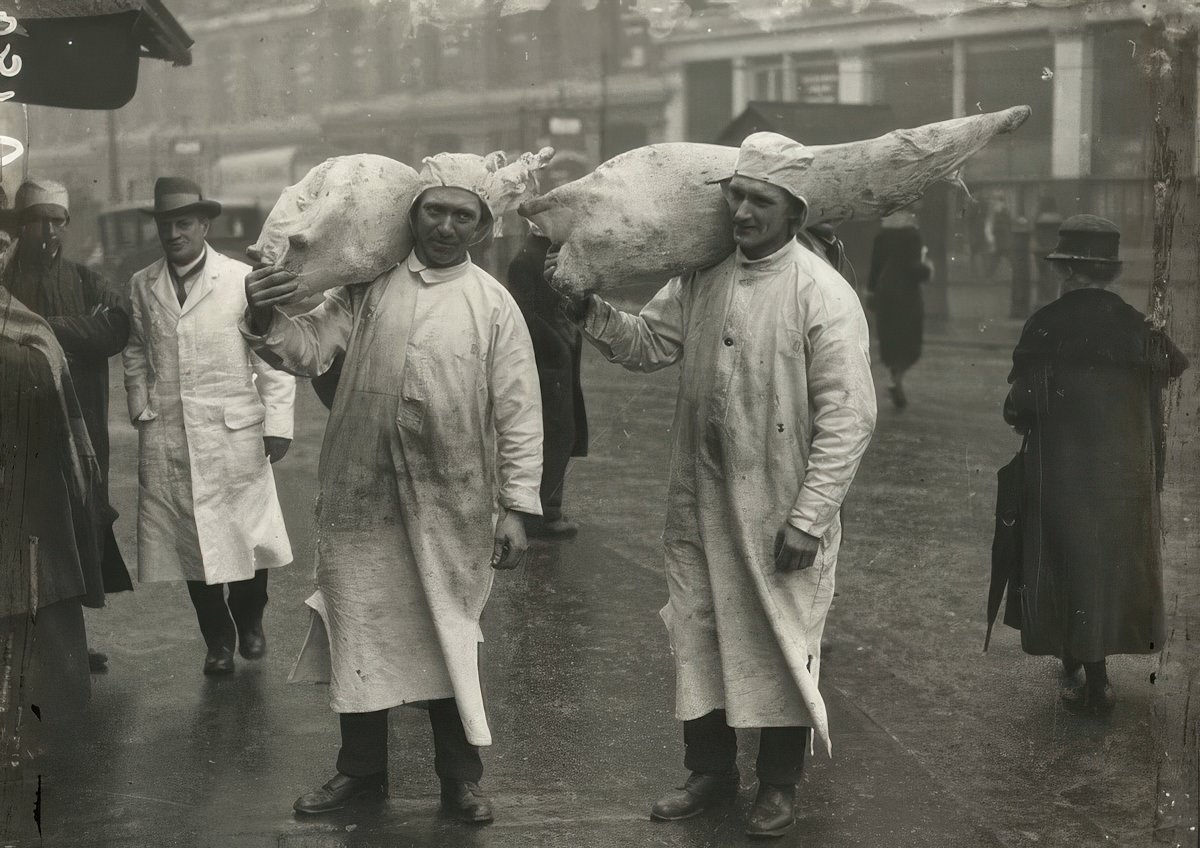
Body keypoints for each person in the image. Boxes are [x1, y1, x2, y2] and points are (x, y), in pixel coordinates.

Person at [547, 132, 877, 838]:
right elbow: (649, 346)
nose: (745, 214)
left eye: (763, 201)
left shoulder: (823, 293)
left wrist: (809, 519)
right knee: (697, 630)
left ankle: (779, 784)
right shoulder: (704, 275)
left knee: (778, 641)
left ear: (795, 211)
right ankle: (710, 771)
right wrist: (591, 313)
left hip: (780, 509)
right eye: (738, 198)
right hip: (699, 498)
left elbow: (850, 419)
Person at [241, 154, 543, 824]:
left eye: (462, 215)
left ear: (482, 226)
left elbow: (519, 411)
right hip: (361, 492)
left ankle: (459, 780)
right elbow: (311, 349)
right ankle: (360, 773)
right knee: (362, 627)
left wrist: (519, 508)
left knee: (447, 632)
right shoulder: (368, 289)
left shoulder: (493, 305)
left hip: (453, 499)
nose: (445, 225)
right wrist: (264, 321)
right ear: (413, 212)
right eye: (435, 209)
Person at [1002, 214, 1188, 714]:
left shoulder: (1046, 323)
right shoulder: (1136, 324)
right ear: (1109, 273)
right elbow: (1171, 367)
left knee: (1065, 557)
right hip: (1124, 470)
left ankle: (1090, 681)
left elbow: (1019, 403)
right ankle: (1090, 665)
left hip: (1062, 467)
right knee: (1109, 565)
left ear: (1066, 271)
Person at [123, 177, 295, 676]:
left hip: (234, 429)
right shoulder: (142, 285)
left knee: (246, 535)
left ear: (203, 225)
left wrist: (278, 423)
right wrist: (140, 403)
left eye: (183, 223)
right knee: (187, 541)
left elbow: (272, 352)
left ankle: (250, 617)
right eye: (164, 224)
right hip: (170, 433)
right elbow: (136, 349)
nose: (172, 233)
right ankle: (217, 640)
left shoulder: (242, 280)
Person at [2, 178, 132, 672]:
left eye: (59, 221)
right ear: (22, 224)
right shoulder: (6, 279)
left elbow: (115, 328)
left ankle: (70, 641)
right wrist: (75, 328)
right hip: (22, 425)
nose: (51, 230)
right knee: (29, 523)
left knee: (80, 519)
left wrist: (42, 328)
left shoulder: (86, 279)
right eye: (41, 220)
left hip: (82, 423)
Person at [505, 227, 588, 539]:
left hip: (557, 357)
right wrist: (558, 341)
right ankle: (541, 513)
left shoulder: (552, 252)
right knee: (551, 433)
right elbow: (523, 313)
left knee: (560, 432)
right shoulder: (527, 260)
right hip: (544, 360)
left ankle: (547, 508)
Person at [866, 212, 930, 410]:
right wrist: (927, 269)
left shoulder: (881, 236)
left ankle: (894, 375)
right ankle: (897, 378)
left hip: (885, 292)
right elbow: (914, 268)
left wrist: (870, 292)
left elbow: (875, 267)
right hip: (907, 295)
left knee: (891, 338)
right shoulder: (912, 236)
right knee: (909, 340)